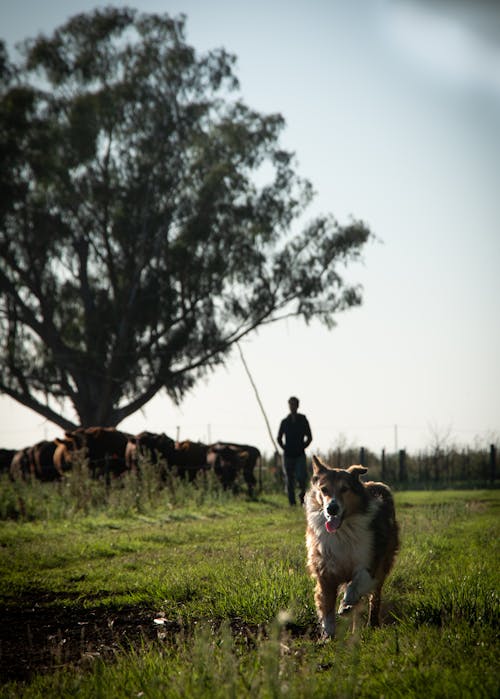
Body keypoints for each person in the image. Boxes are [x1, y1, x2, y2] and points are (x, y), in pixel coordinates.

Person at [277, 396, 312, 505]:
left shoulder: (303, 420)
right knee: (289, 479)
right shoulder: (285, 421)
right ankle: (291, 502)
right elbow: (279, 437)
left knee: (302, 478)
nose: (292, 407)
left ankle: (302, 497)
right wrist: (284, 448)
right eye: (291, 404)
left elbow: (309, 437)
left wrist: (302, 447)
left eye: (294, 404)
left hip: (299, 455)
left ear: (298, 406)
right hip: (288, 455)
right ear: (289, 406)